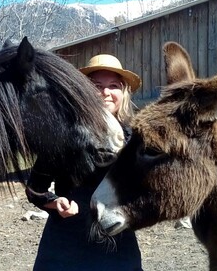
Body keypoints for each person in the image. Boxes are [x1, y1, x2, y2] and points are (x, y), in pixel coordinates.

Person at [26, 54, 143, 271]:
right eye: (97, 85)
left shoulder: (135, 138)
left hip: (117, 240)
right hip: (66, 243)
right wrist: (55, 202)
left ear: (123, 92)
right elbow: (35, 189)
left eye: (113, 86)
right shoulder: (61, 135)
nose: (105, 92)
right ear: (83, 91)